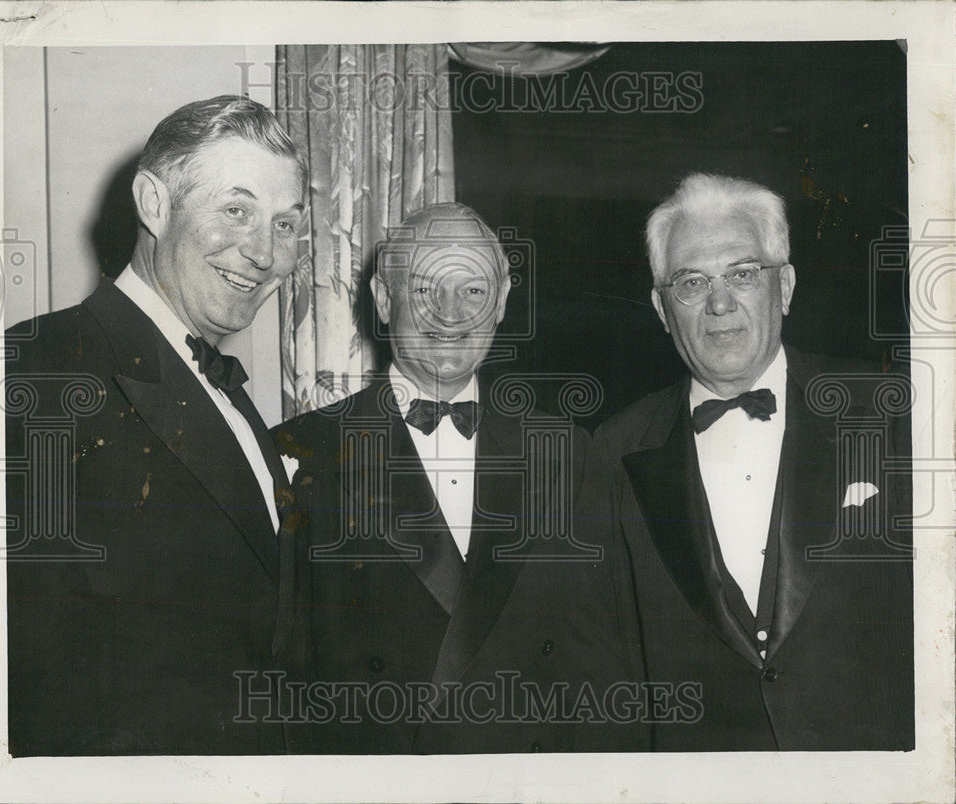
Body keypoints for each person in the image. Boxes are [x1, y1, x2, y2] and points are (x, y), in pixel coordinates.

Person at [272, 203, 648, 754]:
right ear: (383, 299)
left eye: (473, 291)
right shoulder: (299, 452)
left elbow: (607, 669)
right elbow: (282, 679)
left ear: (500, 304)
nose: (451, 314)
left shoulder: (570, 453)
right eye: (426, 289)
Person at [4, 95, 306, 755]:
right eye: (237, 211)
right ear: (153, 203)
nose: (265, 255)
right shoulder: (37, 369)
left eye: (286, 225)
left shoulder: (234, 400)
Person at [591, 173, 914, 751]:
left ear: (784, 286)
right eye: (691, 282)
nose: (719, 303)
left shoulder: (896, 412)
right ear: (663, 309)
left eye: (742, 274)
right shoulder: (612, 453)